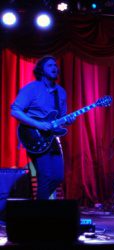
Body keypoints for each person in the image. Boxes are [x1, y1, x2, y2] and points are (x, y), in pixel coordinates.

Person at [11, 55, 75, 200]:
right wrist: (39, 124)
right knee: (45, 176)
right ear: (41, 70)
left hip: (51, 138)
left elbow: (60, 119)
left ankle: (36, 207)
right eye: (49, 65)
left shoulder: (61, 92)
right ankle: (40, 214)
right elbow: (15, 110)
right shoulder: (32, 88)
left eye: (55, 65)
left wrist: (68, 120)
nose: (54, 68)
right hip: (34, 136)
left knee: (58, 176)